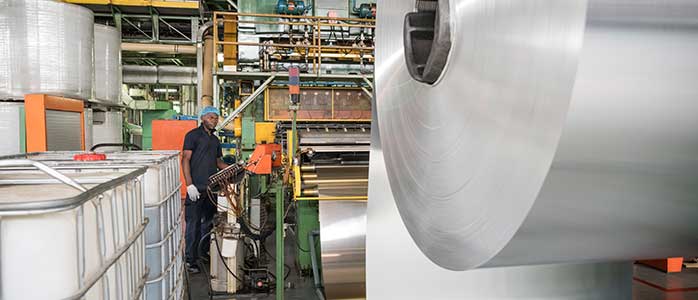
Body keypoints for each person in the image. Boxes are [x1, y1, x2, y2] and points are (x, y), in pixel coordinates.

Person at [182, 106, 229, 273]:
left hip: (211, 189)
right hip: (196, 188)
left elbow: (218, 163)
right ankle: (190, 260)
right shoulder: (192, 136)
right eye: (210, 117)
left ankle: (203, 253)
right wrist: (189, 184)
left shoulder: (215, 140)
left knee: (208, 224)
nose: (214, 120)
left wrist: (234, 169)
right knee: (193, 225)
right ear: (202, 118)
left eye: (216, 118)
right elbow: (185, 159)